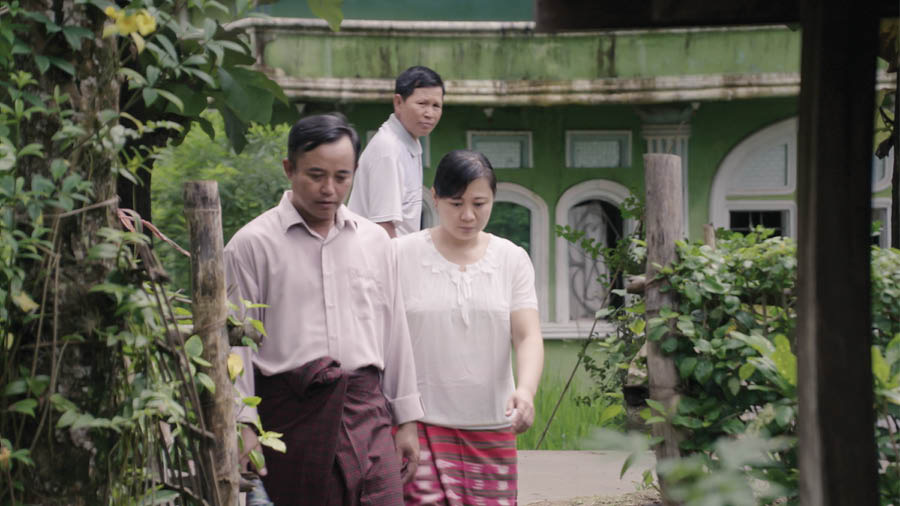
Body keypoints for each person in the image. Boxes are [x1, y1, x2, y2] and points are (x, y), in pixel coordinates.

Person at [225, 113, 424, 505]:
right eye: (315, 175)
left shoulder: (375, 242)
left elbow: (394, 332)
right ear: (289, 169)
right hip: (290, 419)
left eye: (342, 177)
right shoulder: (251, 246)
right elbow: (236, 348)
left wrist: (407, 420)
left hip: (366, 412)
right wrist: (242, 423)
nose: (329, 189)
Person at [395, 149, 545, 505]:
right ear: (434, 197)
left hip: (492, 425)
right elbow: (387, 342)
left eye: (480, 203)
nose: (468, 215)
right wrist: (401, 418)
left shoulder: (511, 259)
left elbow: (527, 335)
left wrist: (526, 392)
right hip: (421, 424)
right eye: (455, 202)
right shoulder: (399, 254)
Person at [348, 65, 444, 238]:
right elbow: (383, 228)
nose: (430, 113)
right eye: (422, 104)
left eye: (436, 105)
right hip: (379, 261)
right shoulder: (389, 150)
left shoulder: (408, 143)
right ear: (398, 103)